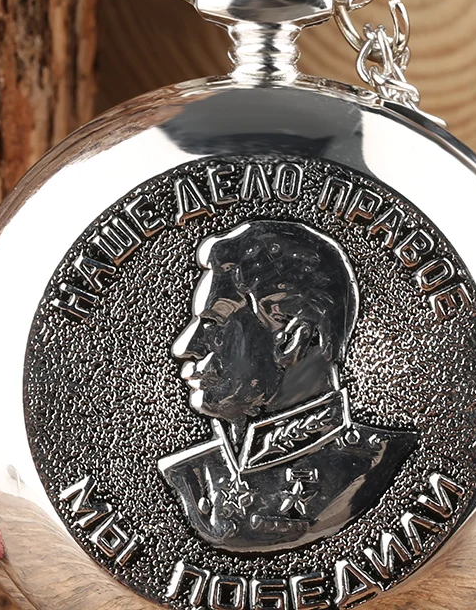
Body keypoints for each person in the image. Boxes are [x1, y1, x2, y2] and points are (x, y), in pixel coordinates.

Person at [159, 219, 418, 553]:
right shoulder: (187, 475)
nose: (183, 347)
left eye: (214, 325)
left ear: (293, 337)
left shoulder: (384, 459)